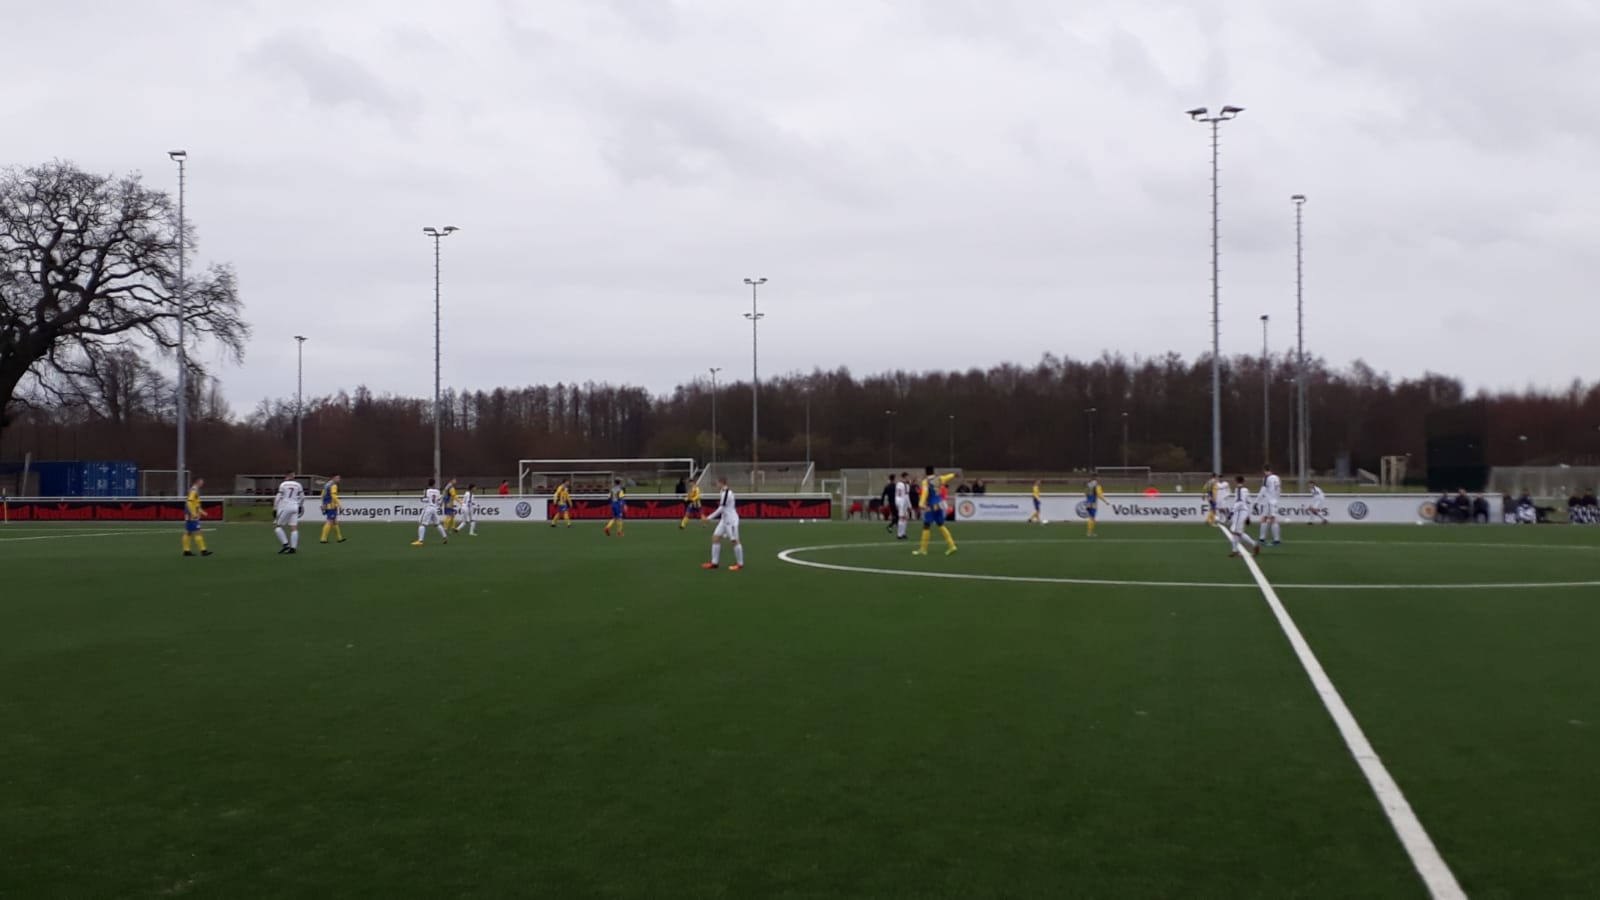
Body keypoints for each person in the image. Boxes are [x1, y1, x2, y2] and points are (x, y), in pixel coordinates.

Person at [913, 466, 959, 557]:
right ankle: (952, 545)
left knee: (926, 525)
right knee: (940, 524)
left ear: (926, 472)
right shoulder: (939, 478)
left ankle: (923, 549)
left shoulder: (926, 481)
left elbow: (925, 493)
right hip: (940, 503)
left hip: (931, 505)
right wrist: (953, 475)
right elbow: (947, 477)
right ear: (933, 472)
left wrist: (921, 503)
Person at [701, 477, 745, 571]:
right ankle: (714, 563)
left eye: (717, 483)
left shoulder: (727, 494)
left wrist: (708, 518)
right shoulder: (722, 492)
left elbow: (721, 508)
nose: (716, 485)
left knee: (735, 541)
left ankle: (740, 564)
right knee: (715, 538)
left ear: (722, 483)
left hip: (731, 521)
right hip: (724, 520)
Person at [1228, 475, 1261, 558]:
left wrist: (1231, 512)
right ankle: (1235, 551)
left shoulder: (1238, 490)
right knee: (1236, 531)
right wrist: (1248, 515)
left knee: (1235, 531)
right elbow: (1249, 502)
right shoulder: (1246, 490)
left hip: (1239, 511)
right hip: (1243, 511)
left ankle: (1254, 544)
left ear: (1236, 481)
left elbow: (1239, 502)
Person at [273, 472, 305, 555]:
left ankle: (285, 544)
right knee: (293, 527)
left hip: (286, 506)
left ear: (286, 476)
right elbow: (302, 497)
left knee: (277, 526)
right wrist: (300, 506)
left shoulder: (283, 484)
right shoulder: (298, 485)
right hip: (295, 506)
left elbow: (278, 497)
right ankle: (293, 548)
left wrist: (275, 508)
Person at [411, 478, 449, 546]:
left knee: (422, 524)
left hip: (428, 508)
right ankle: (445, 537)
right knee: (437, 524)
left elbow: (424, 499)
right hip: (434, 508)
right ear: (434, 484)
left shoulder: (426, 490)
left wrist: (422, 499)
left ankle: (420, 541)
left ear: (428, 483)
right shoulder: (437, 491)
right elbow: (439, 501)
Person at [182, 477, 212, 557]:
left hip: (189, 514)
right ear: (198, 482)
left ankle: (186, 551)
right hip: (192, 515)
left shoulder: (193, 490)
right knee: (198, 531)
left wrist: (202, 512)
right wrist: (193, 513)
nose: (202, 484)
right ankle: (203, 551)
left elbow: (195, 504)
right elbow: (189, 502)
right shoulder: (194, 490)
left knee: (188, 532)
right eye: (201, 483)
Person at [1259, 466, 1283, 546]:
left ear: (1264, 470)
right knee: (1267, 518)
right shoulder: (1276, 477)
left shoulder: (1266, 478)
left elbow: (1263, 490)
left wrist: (1257, 501)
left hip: (1269, 501)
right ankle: (1268, 539)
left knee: (1268, 519)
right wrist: (1276, 499)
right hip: (1274, 500)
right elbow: (1279, 489)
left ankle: (1274, 540)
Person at [319, 474, 347, 544]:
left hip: (326, 505)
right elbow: (333, 496)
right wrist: (340, 505)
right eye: (337, 478)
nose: (339, 479)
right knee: (330, 521)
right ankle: (323, 538)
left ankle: (339, 538)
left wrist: (323, 504)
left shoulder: (327, 485)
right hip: (331, 505)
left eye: (339, 478)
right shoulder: (333, 485)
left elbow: (322, 495)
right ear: (333, 478)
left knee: (334, 521)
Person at [893, 473, 912, 540]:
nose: (909, 478)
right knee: (902, 518)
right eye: (908, 477)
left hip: (900, 501)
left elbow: (899, 494)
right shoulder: (905, 485)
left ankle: (903, 533)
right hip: (902, 502)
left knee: (905, 517)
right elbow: (905, 495)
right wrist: (909, 505)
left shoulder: (899, 484)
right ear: (905, 477)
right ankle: (899, 535)